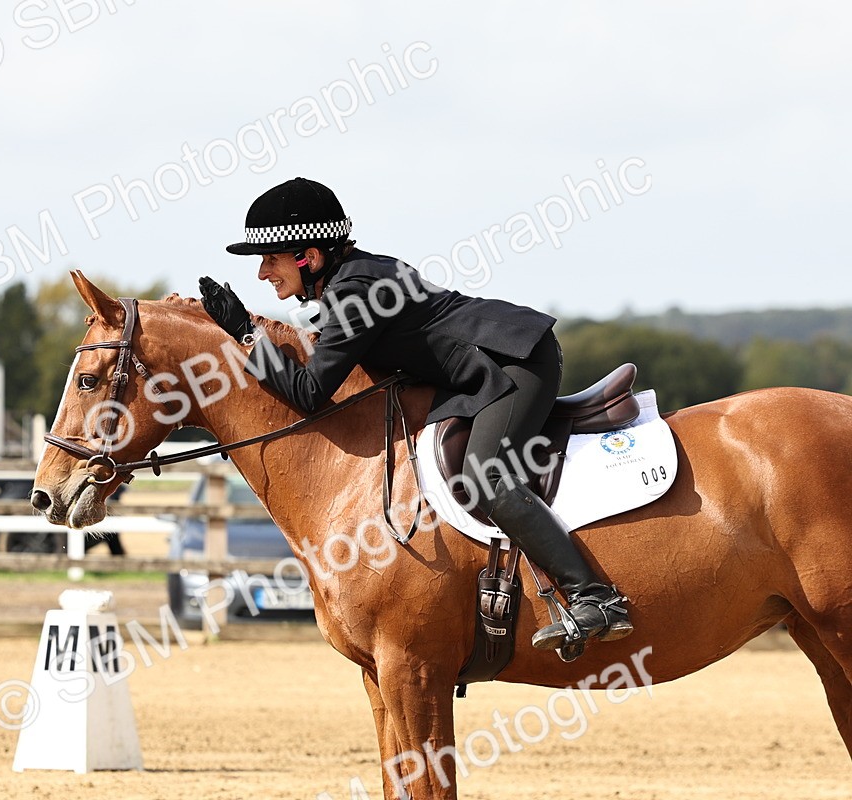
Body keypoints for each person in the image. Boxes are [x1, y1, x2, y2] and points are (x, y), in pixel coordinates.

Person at [198, 177, 632, 650]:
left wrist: (245, 332)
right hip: (481, 369)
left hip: (515, 364)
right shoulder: (354, 279)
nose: (262, 273)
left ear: (310, 257)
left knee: (485, 476)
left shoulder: (354, 293)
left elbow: (309, 392)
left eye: (271, 259)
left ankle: (594, 597)